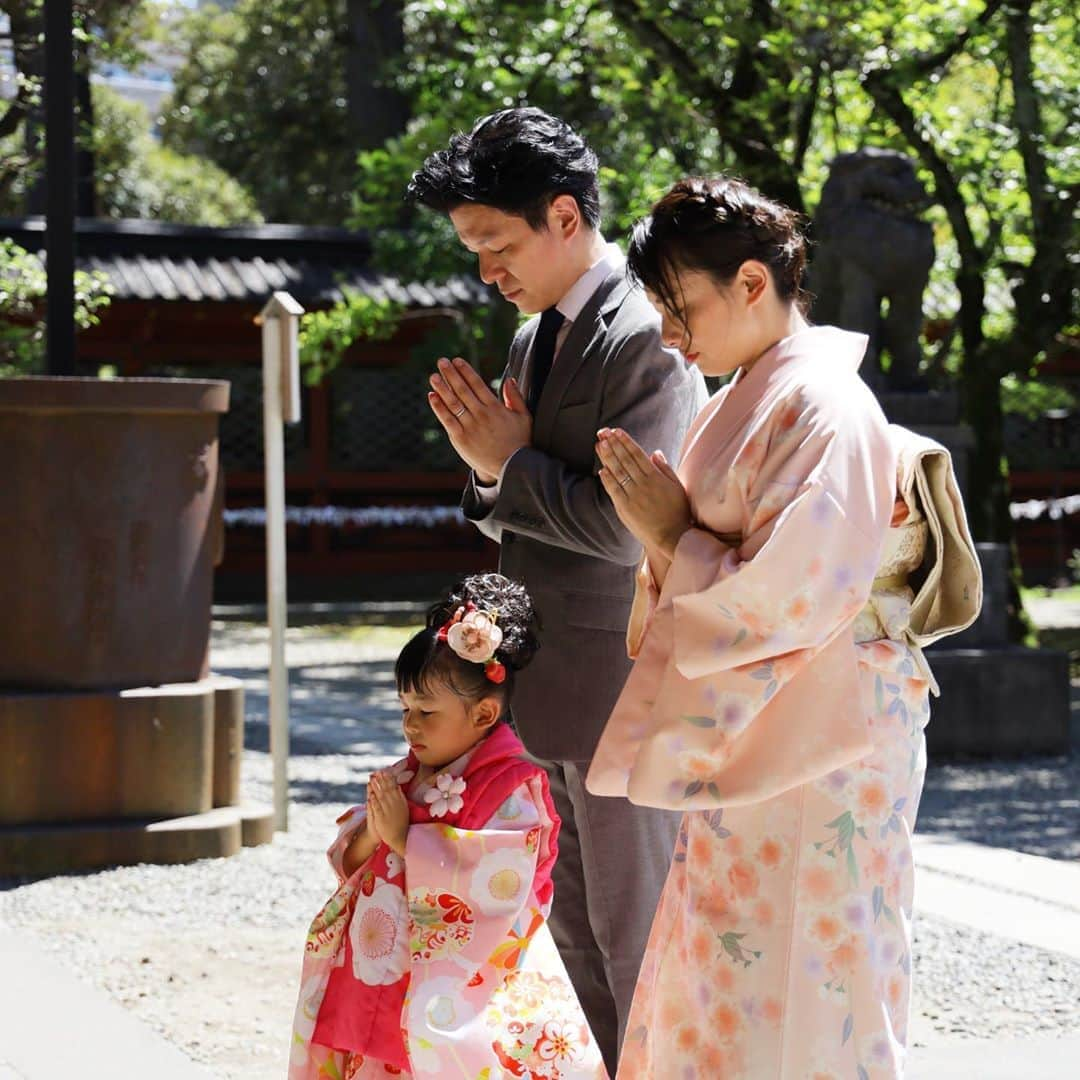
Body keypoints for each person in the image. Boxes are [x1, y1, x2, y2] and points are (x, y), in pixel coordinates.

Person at [585, 176, 981, 1078]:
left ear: (753, 284)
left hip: (825, 729)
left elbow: (797, 592)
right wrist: (675, 541)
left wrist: (669, 535)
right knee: (736, 959)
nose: (674, 339)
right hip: (768, 722)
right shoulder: (753, 396)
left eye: (681, 310)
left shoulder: (825, 407)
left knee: (823, 968)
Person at [405, 107, 707, 1071]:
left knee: (640, 935)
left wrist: (508, 460)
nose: (487, 270)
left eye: (497, 244)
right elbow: (514, 506)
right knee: (570, 939)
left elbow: (632, 532)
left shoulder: (644, 336)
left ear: (566, 216)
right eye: (474, 249)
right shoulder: (540, 333)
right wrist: (494, 473)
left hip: (623, 688)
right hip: (550, 689)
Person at [289, 572, 609, 1080]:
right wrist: (374, 833)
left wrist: (404, 839)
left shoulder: (514, 785)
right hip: (382, 973)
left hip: (462, 989)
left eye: (427, 711)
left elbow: (501, 885)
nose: (411, 725)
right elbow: (351, 866)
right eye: (406, 709)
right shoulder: (407, 774)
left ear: (483, 714)